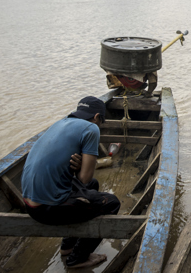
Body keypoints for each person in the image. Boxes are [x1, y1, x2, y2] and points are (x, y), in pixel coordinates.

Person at [21, 96, 120, 268]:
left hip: (29, 204)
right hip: (47, 209)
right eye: (100, 122)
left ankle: (67, 246)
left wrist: (80, 166)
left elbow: (86, 181)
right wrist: (84, 166)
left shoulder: (60, 123)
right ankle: (78, 258)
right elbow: (83, 178)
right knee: (111, 203)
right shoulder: (91, 129)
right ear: (97, 117)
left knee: (93, 186)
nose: (99, 126)